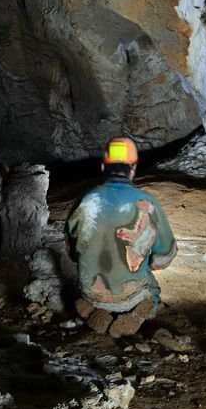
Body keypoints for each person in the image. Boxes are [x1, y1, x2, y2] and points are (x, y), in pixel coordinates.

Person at [64, 136, 177, 337]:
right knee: (153, 288)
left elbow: (72, 251)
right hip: (130, 294)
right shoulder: (147, 202)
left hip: (90, 291)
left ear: (102, 167)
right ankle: (140, 315)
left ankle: (91, 311)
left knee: (85, 280)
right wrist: (148, 261)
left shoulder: (86, 199)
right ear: (133, 168)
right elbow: (166, 255)